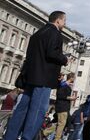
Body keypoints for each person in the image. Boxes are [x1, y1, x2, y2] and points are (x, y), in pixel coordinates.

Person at [4, 11, 69, 140]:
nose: (65, 23)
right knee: (38, 110)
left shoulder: (37, 33)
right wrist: (64, 59)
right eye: (64, 21)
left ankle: (10, 136)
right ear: (58, 21)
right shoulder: (55, 33)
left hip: (31, 77)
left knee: (22, 109)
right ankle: (27, 138)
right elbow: (51, 53)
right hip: (43, 78)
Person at [54, 73, 77, 140]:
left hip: (64, 108)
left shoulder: (65, 85)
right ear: (71, 78)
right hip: (62, 107)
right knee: (61, 124)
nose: (74, 79)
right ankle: (56, 138)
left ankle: (45, 132)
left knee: (60, 124)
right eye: (74, 78)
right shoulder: (63, 85)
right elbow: (60, 95)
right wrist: (70, 98)